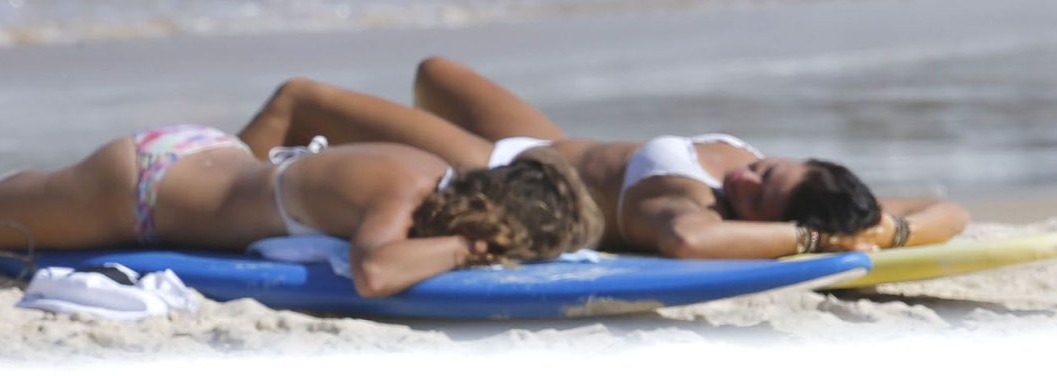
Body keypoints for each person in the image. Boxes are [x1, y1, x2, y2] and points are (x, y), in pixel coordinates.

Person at [0, 129, 604, 299]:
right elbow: (376, 271)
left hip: (193, 157)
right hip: (140, 194)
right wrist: (466, 251)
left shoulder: (422, 172)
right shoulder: (401, 195)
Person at [235, 57, 970, 259]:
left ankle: (214, 178)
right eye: (766, 169)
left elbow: (689, 242)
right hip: (541, 143)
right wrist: (886, 231)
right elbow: (952, 211)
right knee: (436, 71)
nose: (745, 179)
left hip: (498, 169)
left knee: (301, 97)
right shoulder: (807, 193)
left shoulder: (687, 205)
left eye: (755, 195)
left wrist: (810, 240)